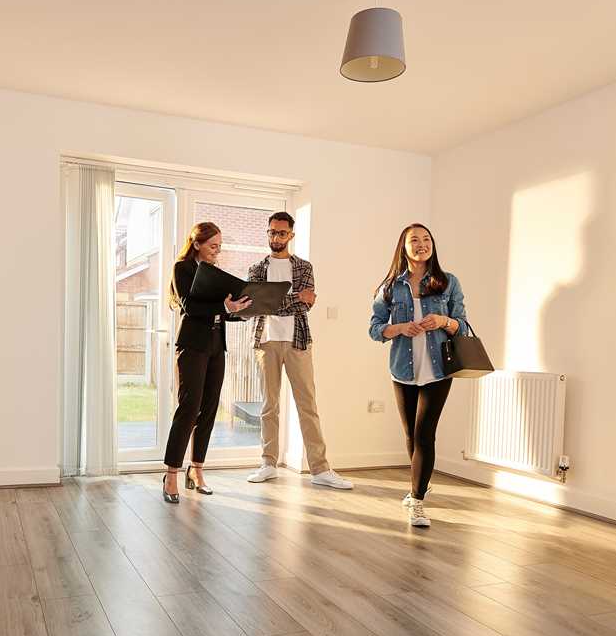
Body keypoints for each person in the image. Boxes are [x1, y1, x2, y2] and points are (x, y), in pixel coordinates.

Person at [368, 223, 469, 528]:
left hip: (438, 368)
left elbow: (462, 325)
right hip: (403, 369)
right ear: (404, 247)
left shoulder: (448, 282)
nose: (422, 244)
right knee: (411, 435)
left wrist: (442, 320)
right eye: (415, 240)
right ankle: (420, 483)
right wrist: (399, 328)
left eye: (426, 240)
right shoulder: (389, 287)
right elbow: (374, 329)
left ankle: (417, 500)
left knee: (425, 432)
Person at [245, 212, 353, 490]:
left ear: (291, 235)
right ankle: (268, 464)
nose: (275, 237)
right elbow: (258, 306)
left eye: (281, 233)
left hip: (298, 342)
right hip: (265, 341)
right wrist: (292, 298)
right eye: (271, 232)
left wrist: (275, 300)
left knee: (308, 406)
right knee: (269, 407)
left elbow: (307, 305)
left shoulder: (304, 267)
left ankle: (320, 468)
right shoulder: (257, 268)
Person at [162, 222, 252, 503]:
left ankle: (197, 471)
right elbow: (190, 306)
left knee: (210, 409)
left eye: (220, 247)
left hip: (216, 346)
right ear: (197, 243)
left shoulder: (214, 274)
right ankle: (172, 474)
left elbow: (221, 311)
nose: (217, 251)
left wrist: (242, 311)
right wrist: (224, 307)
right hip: (192, 345)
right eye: (213, 246)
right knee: (189, 408)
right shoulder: (183, 269)